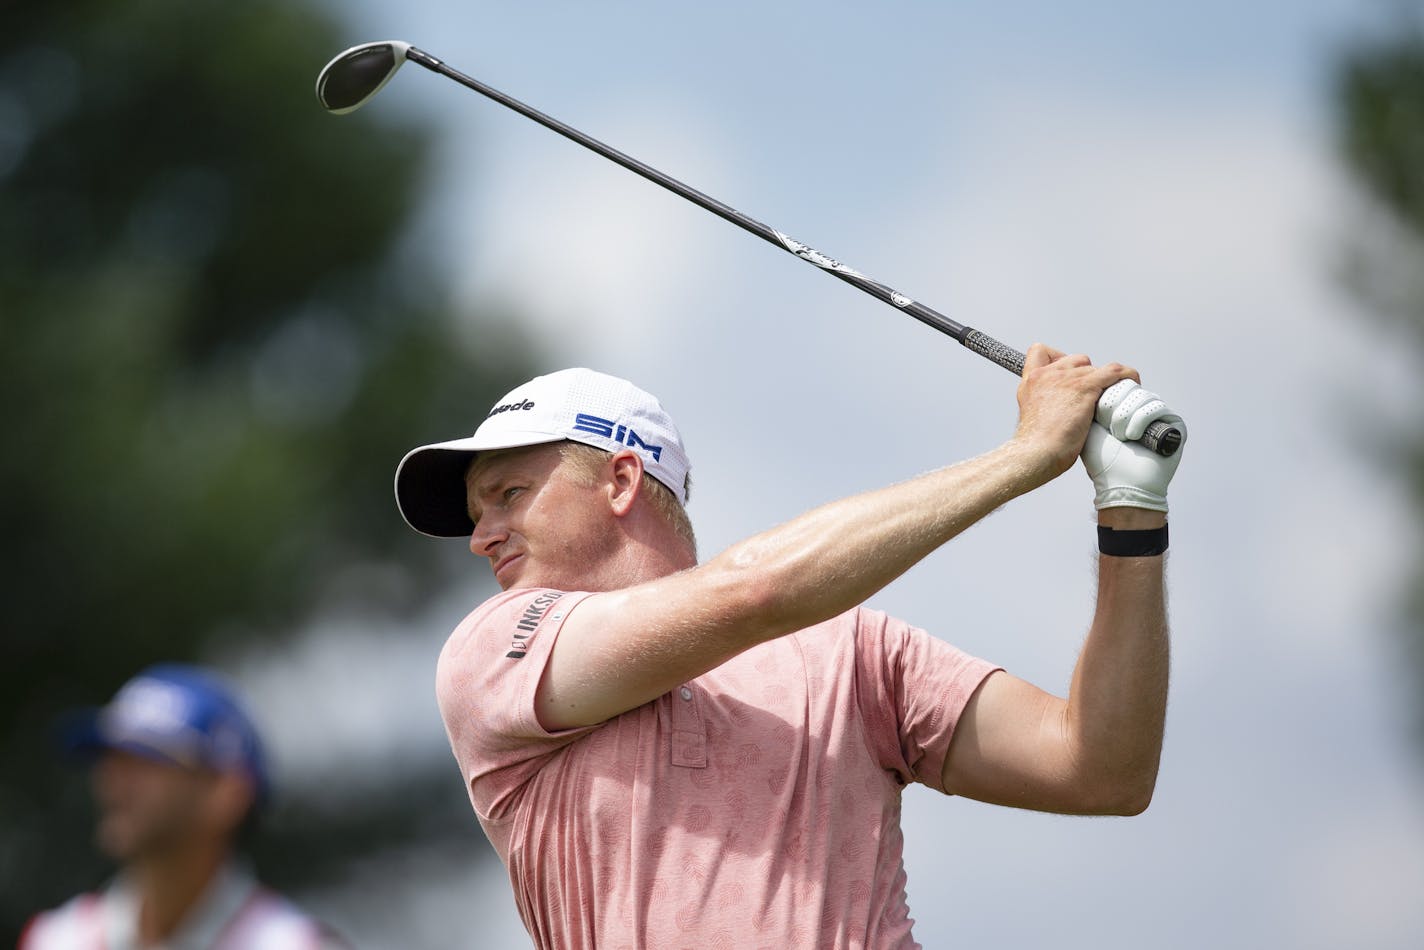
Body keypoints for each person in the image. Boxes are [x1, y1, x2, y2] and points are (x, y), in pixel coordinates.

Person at [394, 346, 1185, 948]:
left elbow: (1101, 769)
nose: (481, 537)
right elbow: (755, 593)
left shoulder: (852, 650)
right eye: (476, 511)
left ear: (621, 481)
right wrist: (1024, 457)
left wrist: (1132, 509)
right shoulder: (495, 651)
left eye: (510, 495)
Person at [21, 663, 350, 950]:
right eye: (111, 760)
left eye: (146, 760)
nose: (112, 783)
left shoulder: (296, 946)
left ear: (227, 793)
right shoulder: (55, 940)